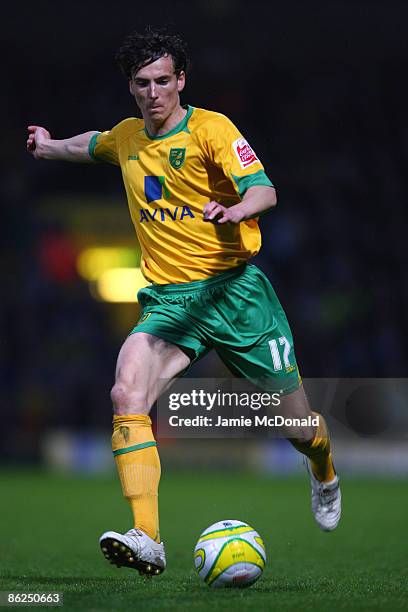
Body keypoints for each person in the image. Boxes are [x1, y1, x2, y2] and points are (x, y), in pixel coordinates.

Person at [27, 27, 341, 577]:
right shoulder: (129, 137)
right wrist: (50, 146)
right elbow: (92, 143)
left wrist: (241, 210)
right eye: (143, 83)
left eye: (163, 81)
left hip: (237, 294)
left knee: (300, 429)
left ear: (181, 80)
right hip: (173, 301)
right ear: (132, 85)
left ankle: (324, 468)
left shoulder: (212, 130)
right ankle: (147, 537)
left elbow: (264, 188)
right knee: (127, 389)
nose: (154, 92)